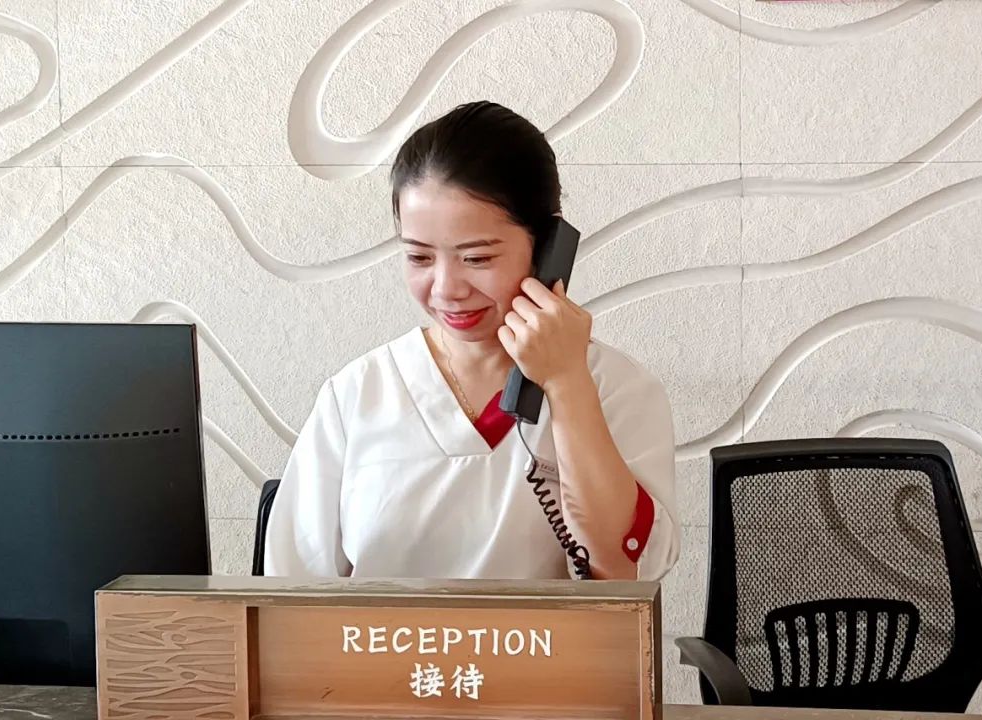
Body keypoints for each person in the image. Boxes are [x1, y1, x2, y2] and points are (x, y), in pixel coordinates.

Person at [264, 101, 680, 581]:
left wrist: (567, 384)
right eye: (419, 258)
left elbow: (624, 571)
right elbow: (288, 590)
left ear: (548, 247)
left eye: (477, 258)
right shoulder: (357, 394)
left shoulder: (618, 389)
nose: (446, 290)